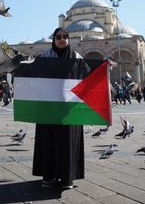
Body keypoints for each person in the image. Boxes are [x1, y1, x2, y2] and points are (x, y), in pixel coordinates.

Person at [33, 27, 84, 190]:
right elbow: (33, 75)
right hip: (48, 107)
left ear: (68, 39)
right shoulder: (44, 57)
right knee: (49, 141)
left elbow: (88, 76)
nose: (61, 39)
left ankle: (67, 178)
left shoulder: (77, 57)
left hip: (69, 108)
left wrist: (104, 67)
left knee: (68, 142)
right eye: (58, 37)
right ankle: (48, 176)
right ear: (53, 40)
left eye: (64, 36)